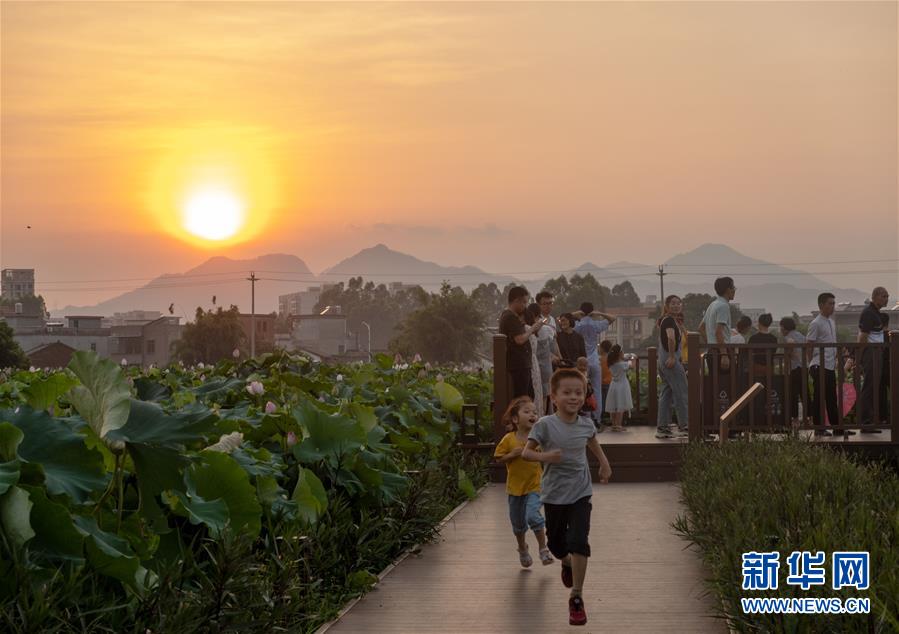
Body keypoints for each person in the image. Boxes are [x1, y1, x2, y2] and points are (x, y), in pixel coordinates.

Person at [522, 368, 612, 627]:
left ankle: (576, 597)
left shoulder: (586, 423)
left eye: (579, 392)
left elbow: (592, 442)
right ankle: (567, 562)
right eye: (567, 392)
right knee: (557, 545)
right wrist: (545, 457)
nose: (573, 397)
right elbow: (527, 454)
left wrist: (603, 463)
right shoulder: (544, 425)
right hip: (553, 495)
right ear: (554, 396)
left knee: (579, 540)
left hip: (581, 493)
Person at [494, 396, 554, 568]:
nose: (532, 414)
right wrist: (512, 454)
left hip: (535, 485)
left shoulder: (537, 438)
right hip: (514, 488)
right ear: (515, 419)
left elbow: (547, 454)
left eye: (534, 412)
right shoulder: (509, 439)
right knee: (518, 525)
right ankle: (522, 548)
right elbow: (498, 458)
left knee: (533, 516)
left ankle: (543, 549)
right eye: (526, 412)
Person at [499, 286, 549, 399]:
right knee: (522, 397)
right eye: (524, 302)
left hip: (522, 363)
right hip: (518, 364)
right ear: (516, 300)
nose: (525, 306)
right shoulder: (510, 317)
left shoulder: (508, 316)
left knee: (528, 395)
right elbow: (520, 339)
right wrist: (532, 329)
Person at [806, 292, 841, 436]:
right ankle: (819, 428)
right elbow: (809, 344)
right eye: (830, 303)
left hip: (830, 365)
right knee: (820, 397)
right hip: (819, 365)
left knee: (832, 397)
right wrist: (811, 363)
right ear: (821, 305)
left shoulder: (831, 322)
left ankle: (837, 428)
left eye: (833, 303)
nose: (832, 306)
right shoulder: (815, 323)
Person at [573, 303, 616, 416]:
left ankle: (585, 417)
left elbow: (561, 320)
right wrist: (600, 313)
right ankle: (597, 418)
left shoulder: (578, 325)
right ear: (592, 312)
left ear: (581, 311)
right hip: (594, 360)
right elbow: (613, 318)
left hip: (582, 361)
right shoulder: (596, 325)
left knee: (582, 390)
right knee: (597, 390)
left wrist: (576, 314)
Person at [656, 295, 689, 439]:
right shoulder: (669, 320)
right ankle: (685, 424)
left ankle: (662, 427)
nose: (676, 305)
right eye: (673, 303)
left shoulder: (670, 320)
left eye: (678, 303)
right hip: (671, 361)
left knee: (666, 392)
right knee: (682, 391)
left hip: (664, 360)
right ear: (667, 306)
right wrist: (671, 356)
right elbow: (670, 338)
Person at [857, 287, 890, 433]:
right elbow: (863, 336)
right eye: (883, 296)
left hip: (877, 353)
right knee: (869, 388)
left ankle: (871, 421)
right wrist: (859, 357)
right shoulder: (868, 313)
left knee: (874, 387)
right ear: (875, 296)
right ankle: (865, 423)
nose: (886, 299)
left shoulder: (876, 313)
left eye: (887, 296)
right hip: (871, 353)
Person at [699, 277, 735, 372]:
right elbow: (719, 332)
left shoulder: (713, 304)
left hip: (712, 351)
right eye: (733, 287)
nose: (735, 290)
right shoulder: (723, 306)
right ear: (728, 290)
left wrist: (711, 343)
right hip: (721, 352)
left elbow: (701, 328)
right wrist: (724, 355)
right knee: (726, 384)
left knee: (714, 384)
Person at [779, 316, 806, 421]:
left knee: (793, 394)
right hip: (803, 366)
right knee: (804, 393)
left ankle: (794, 418)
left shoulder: (788, 337)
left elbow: (791, 343)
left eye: (781, 327)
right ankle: (809, 417)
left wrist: (788, 353)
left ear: (785, 327)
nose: (780, 330)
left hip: (794, 368)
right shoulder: (801, 335)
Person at [525, 303, 549, 416]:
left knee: (535, 392)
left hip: (531, 362)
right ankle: (538, 415)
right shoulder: (536, 329)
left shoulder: (527, 329)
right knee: (538, 393)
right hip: (535, 364)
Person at [604, 344, 633, 432]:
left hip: (613, 385)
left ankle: (613, 424)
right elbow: (632, 365)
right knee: (620, 406)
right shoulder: (623, 364)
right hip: (622, 385)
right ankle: (619, 425)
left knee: (613, 405)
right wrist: (632, 358)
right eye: (622, 352)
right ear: (620, 354)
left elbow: (620, 361)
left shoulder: (611, 364)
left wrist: (623, 358)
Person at [575, 356, 599, 420]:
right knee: (586, 414)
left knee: (583, 413)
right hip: (586, 398)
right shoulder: (584, 375)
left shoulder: (578, 374)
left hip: (582, 397)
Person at [599, 340, 613, 422]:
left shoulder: (599, 359)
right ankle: (609, 417)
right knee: (609, 400)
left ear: (602, 349)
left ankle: (602, 416)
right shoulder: (611, 359)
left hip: (601, 383)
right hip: (610, 382)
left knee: (601, 400)